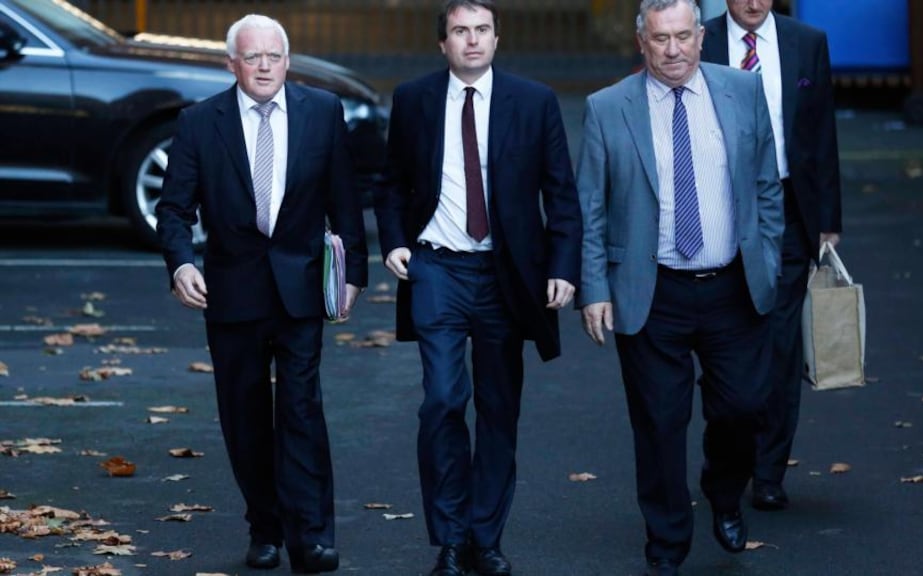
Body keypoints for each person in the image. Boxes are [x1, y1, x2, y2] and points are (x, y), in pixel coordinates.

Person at [373, 1, 582, 574]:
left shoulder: (533, 101)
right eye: (460, 31)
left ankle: (485, 538)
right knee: (442, 399)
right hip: (437, 266)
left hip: (505, 274)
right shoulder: (414, 99)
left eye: (481, 30)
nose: (472, 41)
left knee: (498, 407)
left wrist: (563, 267)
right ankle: (449, 537)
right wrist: (393, 239)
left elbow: (560, 193)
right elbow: (389, 182)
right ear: (443, 43)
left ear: (496, 38)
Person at [575, 0, 782, 573]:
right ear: (641, 41)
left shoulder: (741, 92)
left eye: (684, 36)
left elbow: (767, 184)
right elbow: (589, 206)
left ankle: (723, 490)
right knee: (660, 425)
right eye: (661, 39)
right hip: (651, 290)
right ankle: (667, 543)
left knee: (742, 409)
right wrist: (595, 286)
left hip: (733, 289)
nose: (673, 51)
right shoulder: (607, 107)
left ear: (700, 36)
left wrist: (766, 254)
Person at [155, 13, 367, 574]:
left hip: (300, 287)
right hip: (232, 292)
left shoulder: (322, 113)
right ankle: (264, 527)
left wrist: (353, 274)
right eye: (253, 57)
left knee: (301, 409)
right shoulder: (201, 123)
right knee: (244, 414)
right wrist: (180, 264)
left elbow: (345, 200)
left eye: (274, 56)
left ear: (288, 61)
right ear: (233, 65)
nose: (265, 66)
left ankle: (312, 536)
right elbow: (173, 208)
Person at [702, 0, 842, 511]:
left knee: (781, 343)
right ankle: (726, 457)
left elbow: (821, 133)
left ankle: (768, 471)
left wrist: (828, 219)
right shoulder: (700, 40)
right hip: (716, 205)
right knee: (725, 337)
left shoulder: (807, 43)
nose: (754, 2)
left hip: (785, 205)